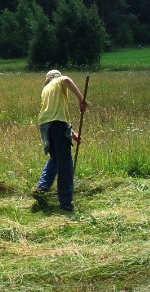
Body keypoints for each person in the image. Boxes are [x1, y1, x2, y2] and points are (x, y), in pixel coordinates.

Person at [33, 69, 88, 211]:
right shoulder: (59, 81)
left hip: (45, 126)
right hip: (57, 125)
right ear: (55, 77)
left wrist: (73, 134)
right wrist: (82, 100)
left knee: (55, 159)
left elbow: (54, 116)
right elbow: (67, 80)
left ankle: (42, 188)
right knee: (65, 164)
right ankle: (66, 203)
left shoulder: (45, 89)